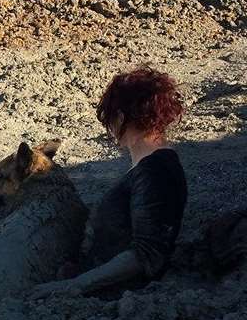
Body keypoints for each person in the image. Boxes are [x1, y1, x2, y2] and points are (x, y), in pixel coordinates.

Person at [32, 66, 187, 297]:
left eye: (111, 119)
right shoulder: (151, 165)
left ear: (121, 116)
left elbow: (146, 254)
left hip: (117, 296)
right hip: (104, 285)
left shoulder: (154, 171)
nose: (111, 130)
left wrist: (75, 285)